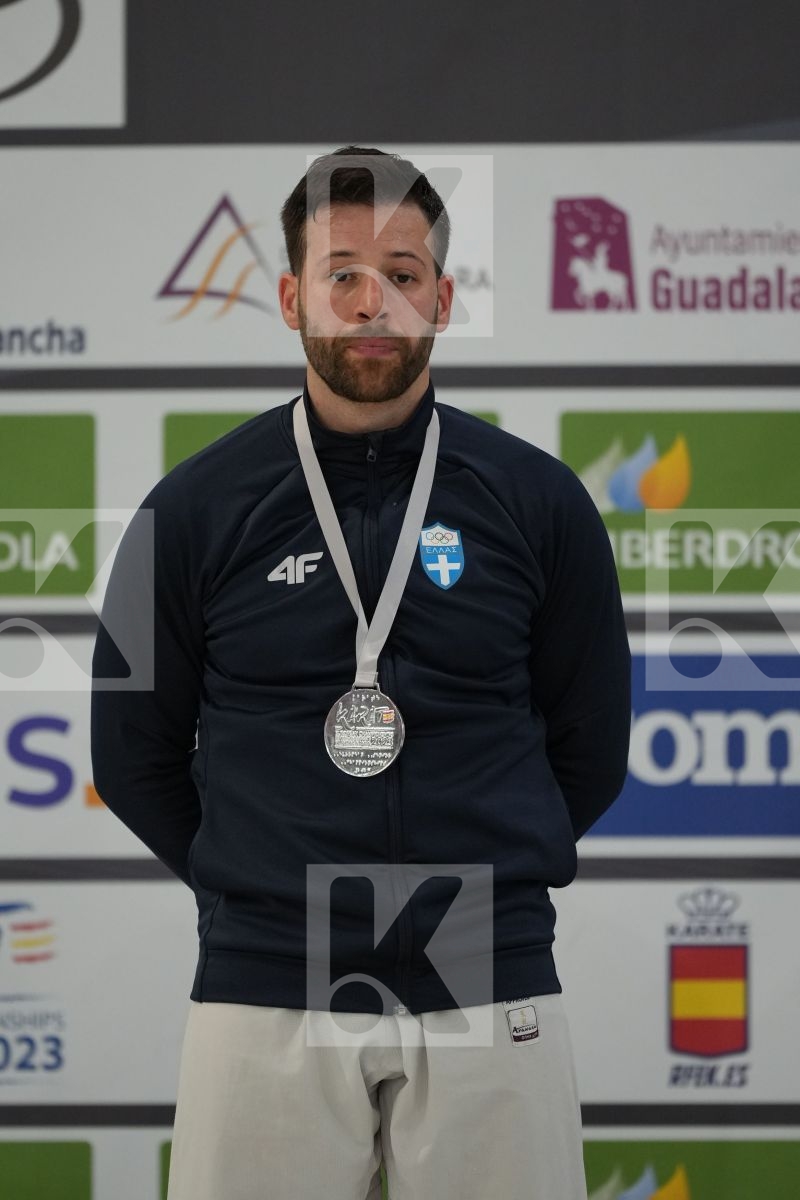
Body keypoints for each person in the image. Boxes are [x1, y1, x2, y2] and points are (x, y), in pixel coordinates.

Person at [90, 145, 631, 1200]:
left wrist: (479, 867)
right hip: (266, 967)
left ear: (443, 296)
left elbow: (589, 751)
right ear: (292, 296)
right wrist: (256, 874)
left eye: (401, 271)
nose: (370, 299)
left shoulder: (540, 503)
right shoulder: (189, 510)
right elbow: (128, 750)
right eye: (340, 273)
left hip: (481, 955)